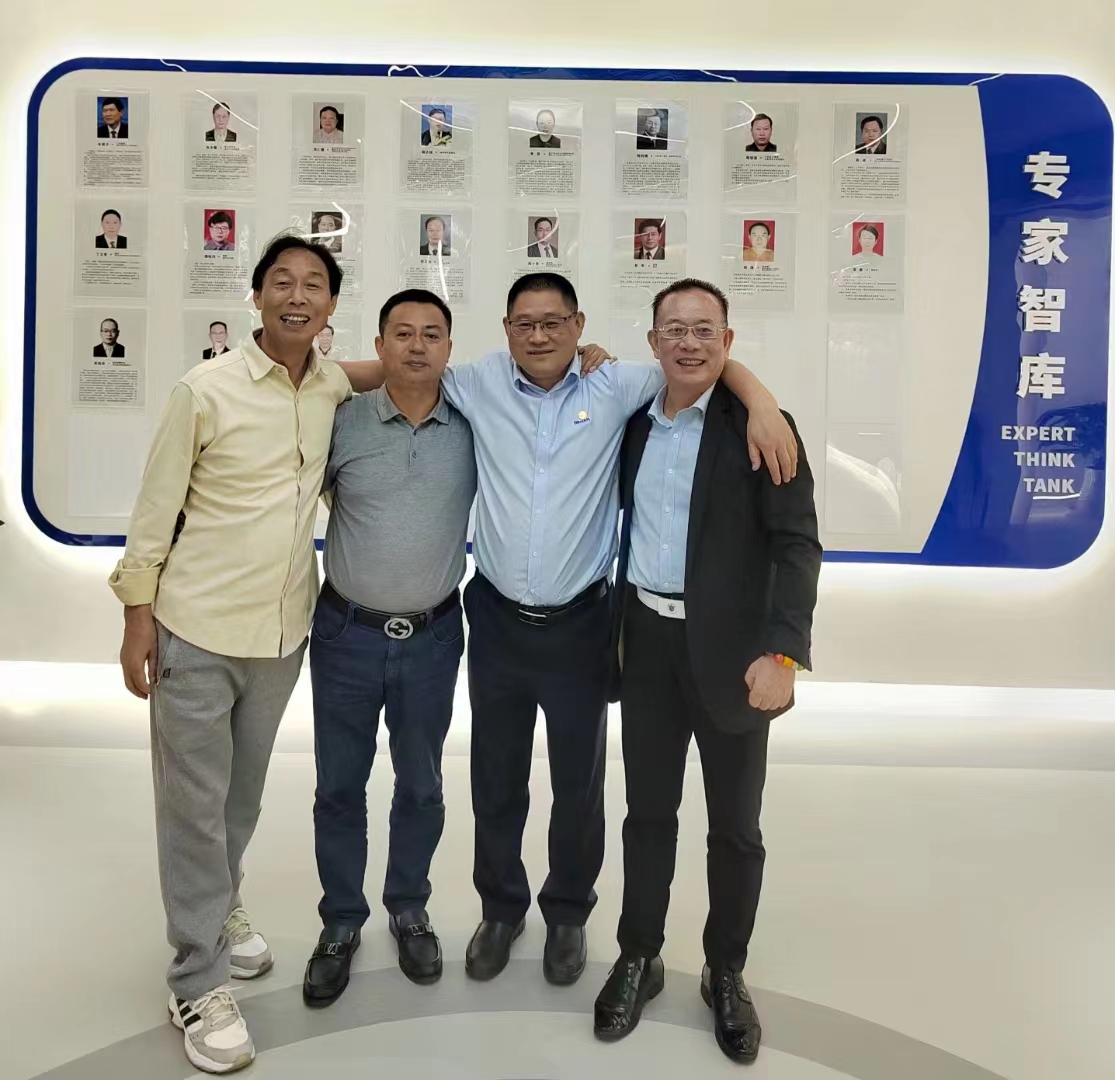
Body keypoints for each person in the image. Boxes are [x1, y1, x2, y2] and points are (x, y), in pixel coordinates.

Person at [368, 272, 794, 991]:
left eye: (553, 322)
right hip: (497, 619)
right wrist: (308, 371)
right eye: (524, 324)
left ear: (578, 325)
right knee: (495, 778)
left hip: (581, 624)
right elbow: (398, 367)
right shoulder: (475, 383)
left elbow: (701, 361)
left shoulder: (618, 384)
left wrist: (761, 402)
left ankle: (568, 912)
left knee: (578, 782)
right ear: (506, 330)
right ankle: (501, 909)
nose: (539, 335)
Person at [108, 235, 350, 1075]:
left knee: (239, 799)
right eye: (281, 282)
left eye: (313, 285)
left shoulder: (330, 387)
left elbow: (391, 367)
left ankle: (221, 906)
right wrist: (137, 619)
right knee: (192, 808)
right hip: (196, 629)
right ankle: (196, 979)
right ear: (255, 298)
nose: (296, 295)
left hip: (281, 635)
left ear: (329, 306)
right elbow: (154, 510)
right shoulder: (203, 389)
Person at [593, 278, 821, 1065]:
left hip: (735, 656)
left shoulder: (761, 427)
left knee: (735, 829)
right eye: (673, 329)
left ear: (727, 340)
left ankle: (725, 970)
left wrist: (782, 653)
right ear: (652, 341)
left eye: (703, 330)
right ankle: (639, 955)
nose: (688, 343)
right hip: (646, 646)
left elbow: (796, 545)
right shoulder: (631, 422)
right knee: (647, 815)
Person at [302, 290, 478, 1007]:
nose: (416, 346)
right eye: (401, 333)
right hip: (346, 634)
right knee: (339, 786)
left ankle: (409, 907)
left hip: (433, 637)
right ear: (378, 345)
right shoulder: (340, 421)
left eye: (432, 334)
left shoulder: (472, 423)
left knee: (422, 783)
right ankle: (341, 921)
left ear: (448, 348)